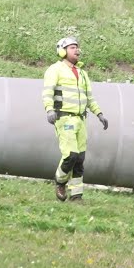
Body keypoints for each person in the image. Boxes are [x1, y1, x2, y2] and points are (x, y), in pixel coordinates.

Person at [42, 36, 108, 201]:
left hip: (80, 120)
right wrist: (49, 110)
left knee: (79, 159)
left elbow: (89, 98)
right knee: (70, 155)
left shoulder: (83, 73)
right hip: (64, 118)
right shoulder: (55, 70)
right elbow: (47, 92)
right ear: (62, 51)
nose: (77, 50)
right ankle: (60, 181)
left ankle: (76, 196)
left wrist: (99, 114)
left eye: (77, 47)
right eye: (72, 47)